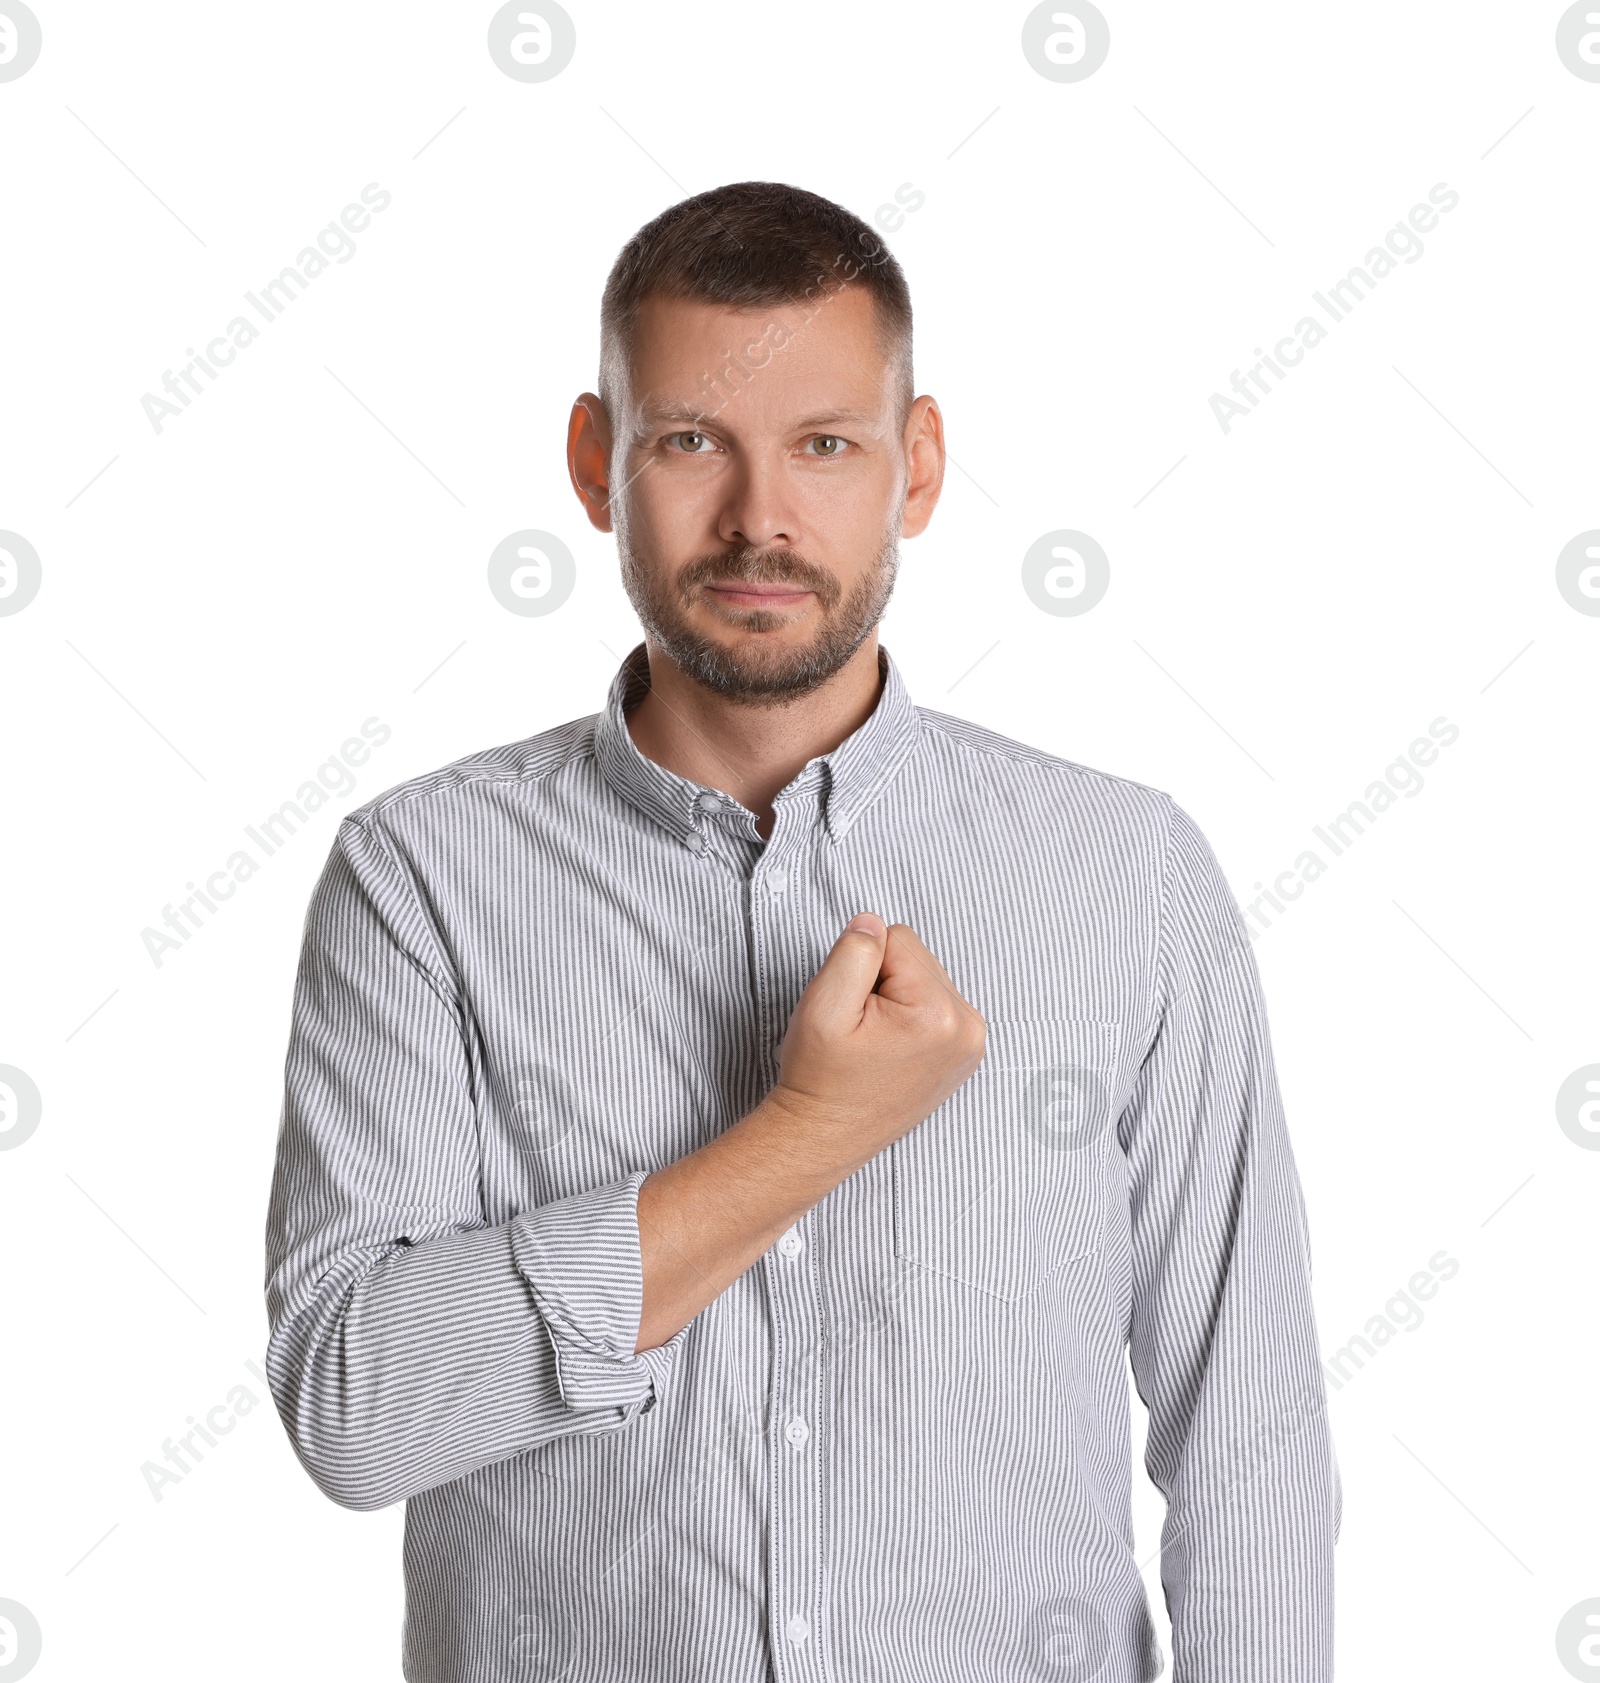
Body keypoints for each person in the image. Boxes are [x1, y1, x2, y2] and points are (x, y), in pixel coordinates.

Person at [263, 179, 1339, 1683]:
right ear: (596, 464)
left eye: (825, 446)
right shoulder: (422, 878)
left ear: (918, 465)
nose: (760, 519)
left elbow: (1252, 1444)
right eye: (692, 442)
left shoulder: (1125, 875)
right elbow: (356, 1409)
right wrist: (808, 1138)